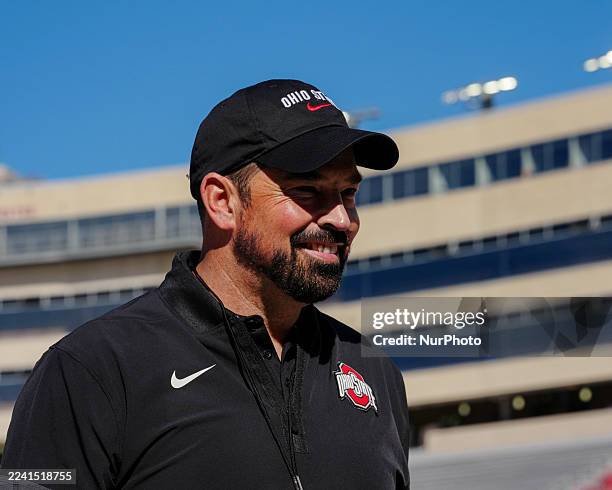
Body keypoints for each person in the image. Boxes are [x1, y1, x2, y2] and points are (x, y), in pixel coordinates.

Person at [2, 79, 410, 489]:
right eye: (307, 191)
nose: (341, 220)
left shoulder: (376, 374)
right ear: (221, 201)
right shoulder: (91, 368)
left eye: (349, 193)